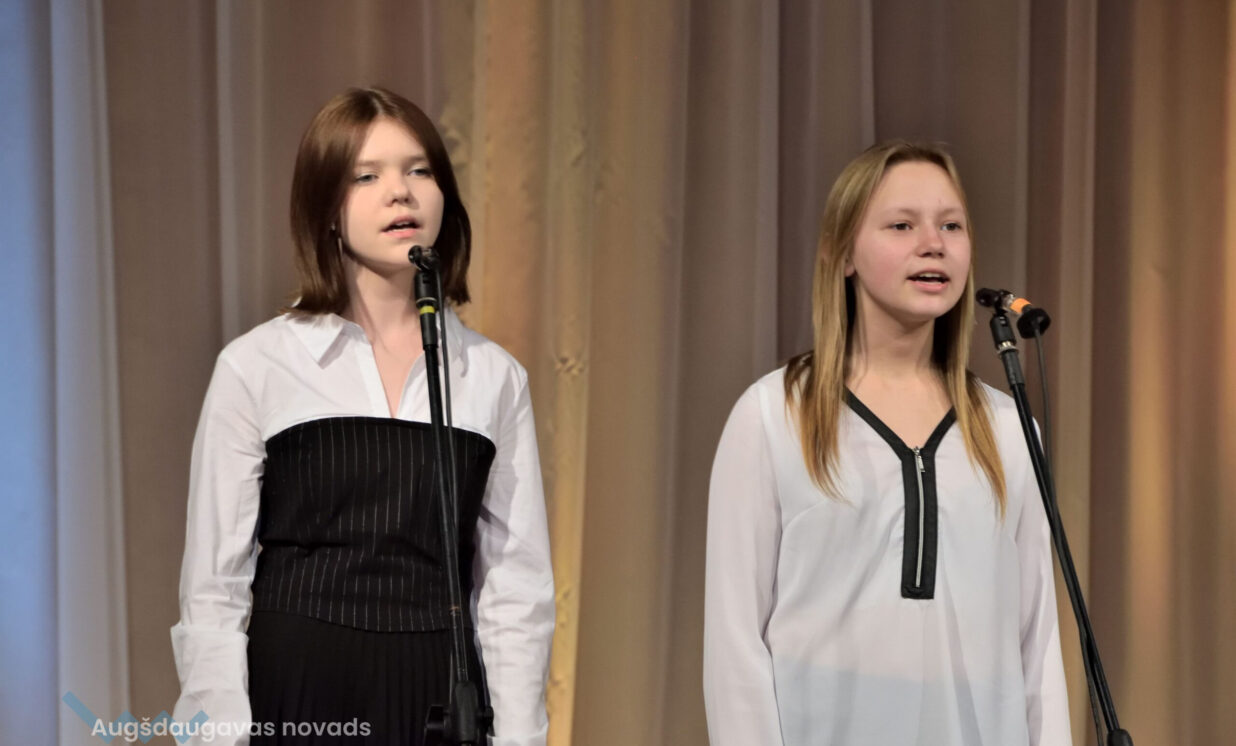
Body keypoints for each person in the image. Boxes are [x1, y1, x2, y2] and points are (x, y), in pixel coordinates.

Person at [171, 87, 555, 746]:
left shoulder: (493, 377)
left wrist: (518, 738)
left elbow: (516, 592)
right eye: (367, 176)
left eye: (419, 170)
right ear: (326, 208)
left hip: (436, 691)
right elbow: (213, 587)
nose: (400, 193)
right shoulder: (259, 364)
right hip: (299, 685)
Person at [702, 141, 1071, 745]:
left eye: (951, 225)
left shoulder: (1009, 429)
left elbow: (1039, 645)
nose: (933, 243)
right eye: (902, 225)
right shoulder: (772, 416)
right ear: (843, 252)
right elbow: (735, 645)